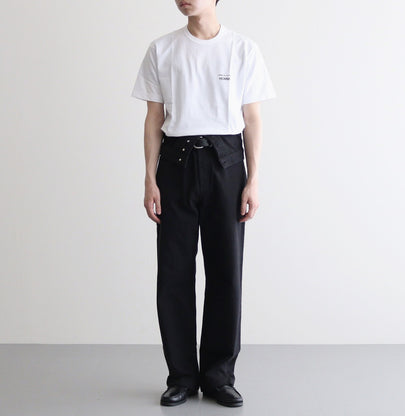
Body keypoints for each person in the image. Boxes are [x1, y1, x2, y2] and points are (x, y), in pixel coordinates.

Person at [131, 0, 276, 408]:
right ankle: (181, 376)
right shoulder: (162, 49)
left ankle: (218, 376)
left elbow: (252, 119)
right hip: (174, 165)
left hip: (226, 164)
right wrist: (149, 178)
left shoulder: (242, 49)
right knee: (173, 273)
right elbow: (153, 118)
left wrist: (253, 179)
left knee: (226, 272)